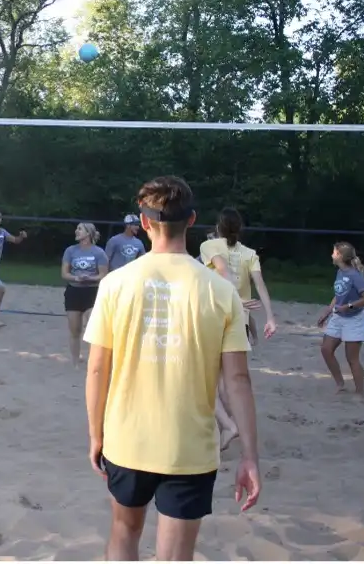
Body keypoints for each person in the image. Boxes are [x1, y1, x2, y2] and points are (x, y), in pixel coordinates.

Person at [84, 176, 261, 561]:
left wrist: (96, 434)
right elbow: (237, 379)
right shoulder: (220, 290)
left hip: (127, 438)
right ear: (192, 220)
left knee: (124, 533)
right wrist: (250, 456)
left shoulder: (116, 284)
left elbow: (97, 369)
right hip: (190, 447)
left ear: (145, 223)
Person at [199, 208, 277, 449]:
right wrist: (270, 317)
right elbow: (260, 285)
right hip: (239, 320)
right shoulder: (249, 253)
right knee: (230, 379)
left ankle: (228, 425)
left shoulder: (209, 245)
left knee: (205, 378)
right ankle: (232, 428)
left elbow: (223, 270)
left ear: (219, 227)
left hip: (214, 316)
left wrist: (236, 299)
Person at [317, 241, 364, 399]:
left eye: (334, 252)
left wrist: (349, 306)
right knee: (326, 350)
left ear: (340, 256)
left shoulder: (355, 275)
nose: (331, 255)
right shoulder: (340, 272)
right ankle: (340, 384)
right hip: (338, 316)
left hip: (354, 319)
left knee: (352, 358)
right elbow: (338, 295)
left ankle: (360, 392)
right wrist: (327, 312)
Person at [62, 223, 109, 366]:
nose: (76, 231)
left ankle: (93, 361)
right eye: (76, 228)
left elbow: (103, 275)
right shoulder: (70, 251)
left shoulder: (99, 252)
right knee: (75, 329)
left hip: (92, 292)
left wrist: (89, 278)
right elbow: (64, 273)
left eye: (80, 229)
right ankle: (75, 360)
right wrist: (76, 278)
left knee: (91, 327)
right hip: (74, 291)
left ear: (88, 233)